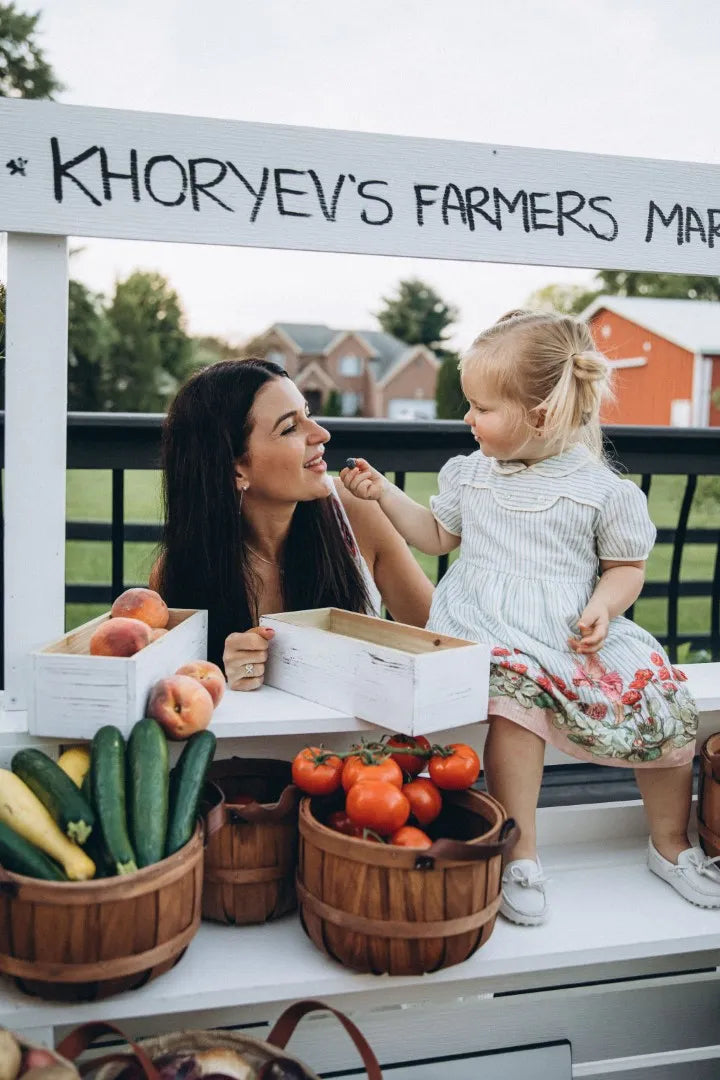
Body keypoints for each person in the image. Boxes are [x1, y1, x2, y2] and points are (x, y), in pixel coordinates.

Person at [341, 309, 716, 925]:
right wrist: (384, 495)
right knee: (515, 705)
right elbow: (436, 535)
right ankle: (522, 851)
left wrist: (603, 605)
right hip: (487, 625)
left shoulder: (603, 491)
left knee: (663, 694)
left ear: (539, 416)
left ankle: (670, 842)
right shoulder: (471, 476)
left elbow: (626, 567)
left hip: (569, 627)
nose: (468, 418)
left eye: (481, 408)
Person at [151, 357, 433, 690]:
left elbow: (439, 641)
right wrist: (222, 678)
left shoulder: (356, 513)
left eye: (308, 415)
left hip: (359, 742)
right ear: (236, 469)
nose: (322, 434)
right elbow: (172, 700)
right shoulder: (180, 572)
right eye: (289, 427)